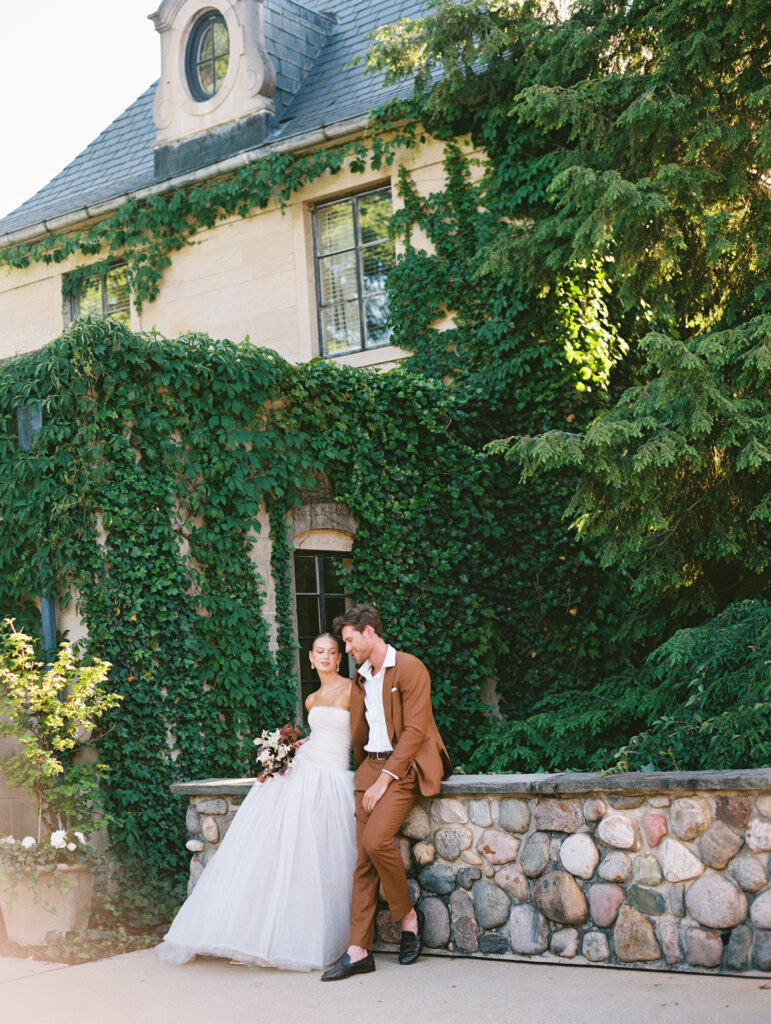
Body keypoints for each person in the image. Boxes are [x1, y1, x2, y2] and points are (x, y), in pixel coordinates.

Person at [157, 633, 355, 971]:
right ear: (310, 658)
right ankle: (250, 935)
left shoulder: (353, 690)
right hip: (305, 770)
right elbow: (315, 737)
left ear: (339, 658)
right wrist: (284, 753)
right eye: (319, 652)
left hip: (333, 776)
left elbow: (359, 732)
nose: (325, 657)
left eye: (332, 652)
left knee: (318, 856)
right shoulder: (311, 699)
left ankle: (308, 937)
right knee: (272, 851)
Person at [321, 605, 452, 982]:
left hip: (403, 769)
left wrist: (384, 780)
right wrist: (366, 773)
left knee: (377, 842)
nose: (346, 650)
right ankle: (358, 950)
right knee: (363, 860)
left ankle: (407, 916)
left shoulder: (410, 668)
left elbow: (414, 731)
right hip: (369, 768)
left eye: (349, 641)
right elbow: (360, 731)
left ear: (369, 632)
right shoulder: (361, 678)